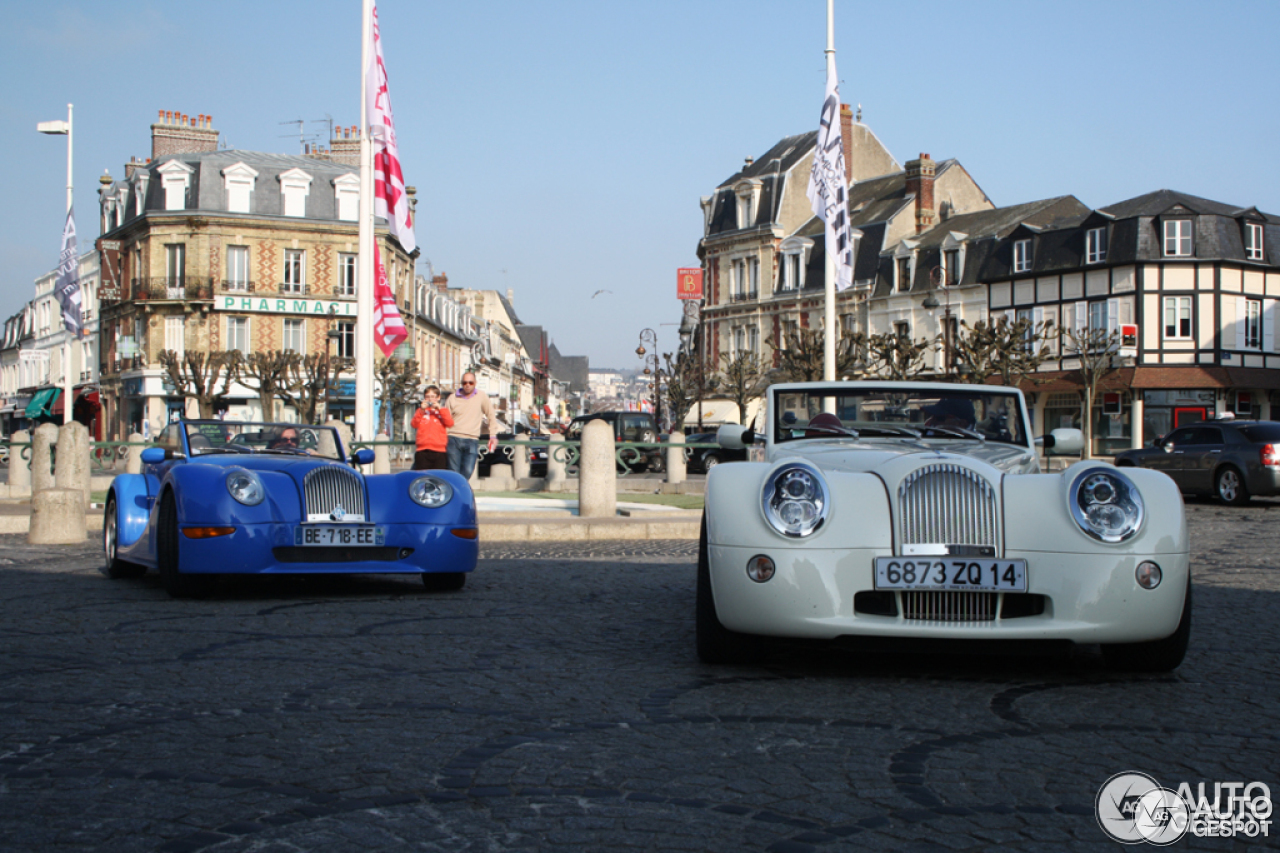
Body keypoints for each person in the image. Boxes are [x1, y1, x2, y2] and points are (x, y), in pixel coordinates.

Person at [445, 372, 497, 478]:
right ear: (461, 383)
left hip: (472, 439)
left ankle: (461, 491)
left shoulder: (481, 396)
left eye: (470, 382)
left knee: (468, 470)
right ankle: (458, 493)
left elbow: (491, 416)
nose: (467, 385)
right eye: (464, 383)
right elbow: (445, 419)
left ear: (475, 383)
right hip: (453, 438)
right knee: (454, 472)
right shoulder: (452, 398)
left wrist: (493, 435)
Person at [410, 385, 453, 470]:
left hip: (439, 450)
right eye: (428, 397)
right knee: (423, 476)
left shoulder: (443, 411)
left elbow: (449, 423)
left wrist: (440, 409)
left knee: (438, 477)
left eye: (433, 397)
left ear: (438, 398)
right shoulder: (420, 411)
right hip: (423, 449)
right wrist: (421, 411)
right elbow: (414, 424)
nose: (430, 399)